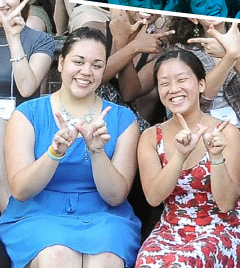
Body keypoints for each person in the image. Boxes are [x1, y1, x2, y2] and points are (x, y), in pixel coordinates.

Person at [0, 27, 141, 267]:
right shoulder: (27, 115)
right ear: (61, 63)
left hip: (104, 215)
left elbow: (116, 196)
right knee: (57, 256)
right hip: (39, 213)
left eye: (97, 65)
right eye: (78, 61)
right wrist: (54, 153)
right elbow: (21, 190)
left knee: (105, 259)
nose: (86, 72)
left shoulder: (123, 119)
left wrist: (97, 151)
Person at [136, 49, 240, 268]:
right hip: (171, 227)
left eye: (182, 80)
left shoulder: (225, 132)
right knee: (147, 262)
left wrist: (215, 156)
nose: (174, 89)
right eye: (164, 83)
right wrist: (179, 156)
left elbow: (226, 203)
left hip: (221, 227)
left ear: (201, 85)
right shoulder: (150, 137)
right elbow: (153, 198)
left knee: (187, 262)